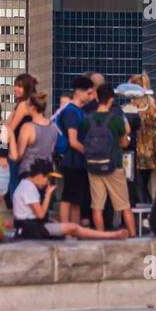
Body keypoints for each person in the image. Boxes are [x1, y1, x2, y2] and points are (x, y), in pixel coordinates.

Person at [12, 160, 128, 240]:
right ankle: (112, 235)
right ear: (39, 176)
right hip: (32, 229)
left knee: (71, 228)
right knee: (74, 227)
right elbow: (41, 214)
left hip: (29, 226)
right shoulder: (29, 188)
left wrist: (50, 220)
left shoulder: (24, 185)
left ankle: (110, 235)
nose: (48, 183)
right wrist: (48, 195)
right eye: (48, 179)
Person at [80, 81, 136, 235]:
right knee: (124, 205)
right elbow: (124, 142)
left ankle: (101, 237)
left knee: (97, 206)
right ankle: (132, 237)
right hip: (114, 165)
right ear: (111, 100)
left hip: (93, 166)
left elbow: (84, 141)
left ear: (97, 99)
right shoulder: (116, 119)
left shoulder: (87, 120)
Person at [55, 76, 95, 224]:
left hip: (77, 161)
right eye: (89, 93)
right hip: (72, 161)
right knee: (68, 198)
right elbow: (73, 141)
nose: (91, 97)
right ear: (79, 92)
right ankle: (67, 230)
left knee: (76, 199)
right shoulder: (72, 112)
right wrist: (90, 153)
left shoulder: (78, 110)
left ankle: (74, 228)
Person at [125, 75, 156, 206]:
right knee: (145, 182)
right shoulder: (154, 104)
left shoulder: (133, 104)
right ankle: (149, 210)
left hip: (137, 149)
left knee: (137, 184)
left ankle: (143, 215)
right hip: (152, 150)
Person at [14, 92, 59, 178]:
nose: (25, 107)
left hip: (29, 172)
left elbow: (19, 155)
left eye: (27, 105)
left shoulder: (27, 127)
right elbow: (51, 150)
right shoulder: (54, 126)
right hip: (46, 173)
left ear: (32, 108)